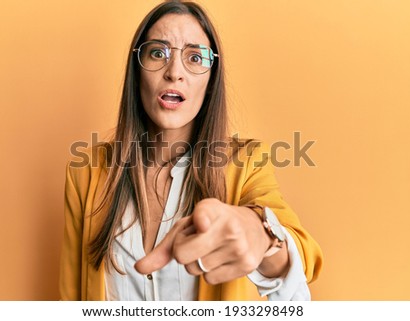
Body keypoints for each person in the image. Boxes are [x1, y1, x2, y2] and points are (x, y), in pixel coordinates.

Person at [59, 0, 323, 301]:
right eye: (158, 53)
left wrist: (261, 235)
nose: (174, 72)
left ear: (210, 81)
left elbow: (303, 258)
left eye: (195, 58)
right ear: (136, 71)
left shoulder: (248, 163)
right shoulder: (85, 172)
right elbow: (71, 301)